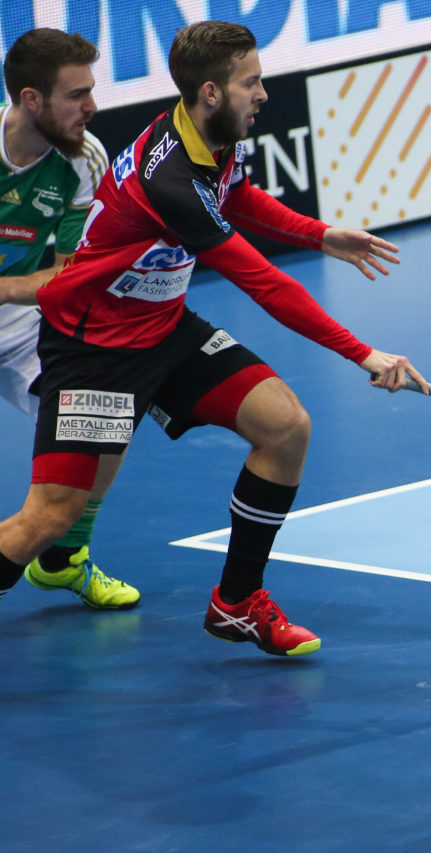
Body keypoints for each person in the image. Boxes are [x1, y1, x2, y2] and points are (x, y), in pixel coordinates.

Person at [0, 20, 425, 657]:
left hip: (166, 329)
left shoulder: (209, 134)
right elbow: (264, 284)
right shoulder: (169, 180)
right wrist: (364, 353)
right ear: (210, 91)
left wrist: (321, 234)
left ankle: (237, 603)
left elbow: (239, 194)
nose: (262, 93)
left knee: (285, 426)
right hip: (97, 353)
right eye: (250, 82)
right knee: (51, 517)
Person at [0, 28, 139, 609]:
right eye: (76, 94)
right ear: (31, 99)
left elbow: (67, 275)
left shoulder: (84, 158)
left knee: (106, 417)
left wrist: (5, 289)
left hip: (22, 328)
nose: (92, 106)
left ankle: (63, 558)